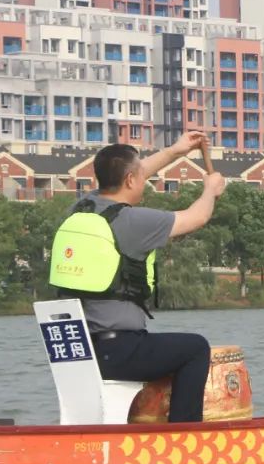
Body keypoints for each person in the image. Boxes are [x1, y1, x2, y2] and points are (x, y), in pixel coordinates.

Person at [49, 133, 225, 422]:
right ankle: (182, 439)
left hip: (78, 351)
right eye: (141, 176)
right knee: (195, 348)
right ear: (130, 180)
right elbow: (196, 218)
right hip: (117, 352)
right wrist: (210, 190)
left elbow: (134, 171)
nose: (145, 179)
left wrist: (175, 151)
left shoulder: (81, 210)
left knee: (174, 348)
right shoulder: (133, 221)